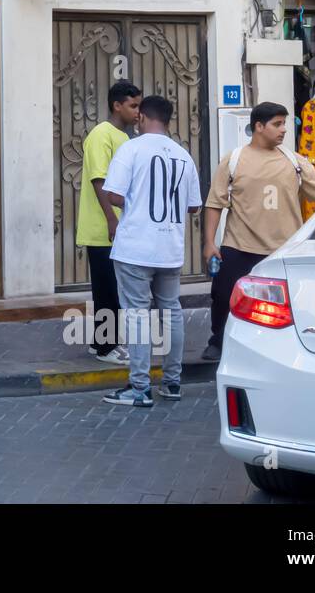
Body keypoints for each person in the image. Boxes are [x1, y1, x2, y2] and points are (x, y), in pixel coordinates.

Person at [201, 101, 315, 361]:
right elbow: (215, 203)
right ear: (258, 126)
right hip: (239, 245)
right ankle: (218, 341)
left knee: (289, 303)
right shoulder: (234, 160)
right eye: (277, 124)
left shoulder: (294, 161)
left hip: (282, 249)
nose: (283, 130)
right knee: (224, 295)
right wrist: (209, 243)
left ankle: (280, 345)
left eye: (284, 124)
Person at [100, 95, 201, 408]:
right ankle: (172, 382)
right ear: (168, 120)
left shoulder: (130, 149)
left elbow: (113, 194)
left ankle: (140, 388)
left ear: (141, 117)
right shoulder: (184, 155)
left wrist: (136, 200)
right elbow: (194, 206)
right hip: (169, 248)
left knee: (137, 315)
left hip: (135, 248)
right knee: (171, 311)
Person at [76, 80, 141, 365]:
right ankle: (106, 348)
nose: (138, 112)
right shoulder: (101, 134)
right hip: (104, 228)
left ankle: (99, 342)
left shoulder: (123, 137)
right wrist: (111, 220)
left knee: (109, 288)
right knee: (108, 290)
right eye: (133, 105)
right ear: (117, 105)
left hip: (116, 227)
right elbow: (98, 180)